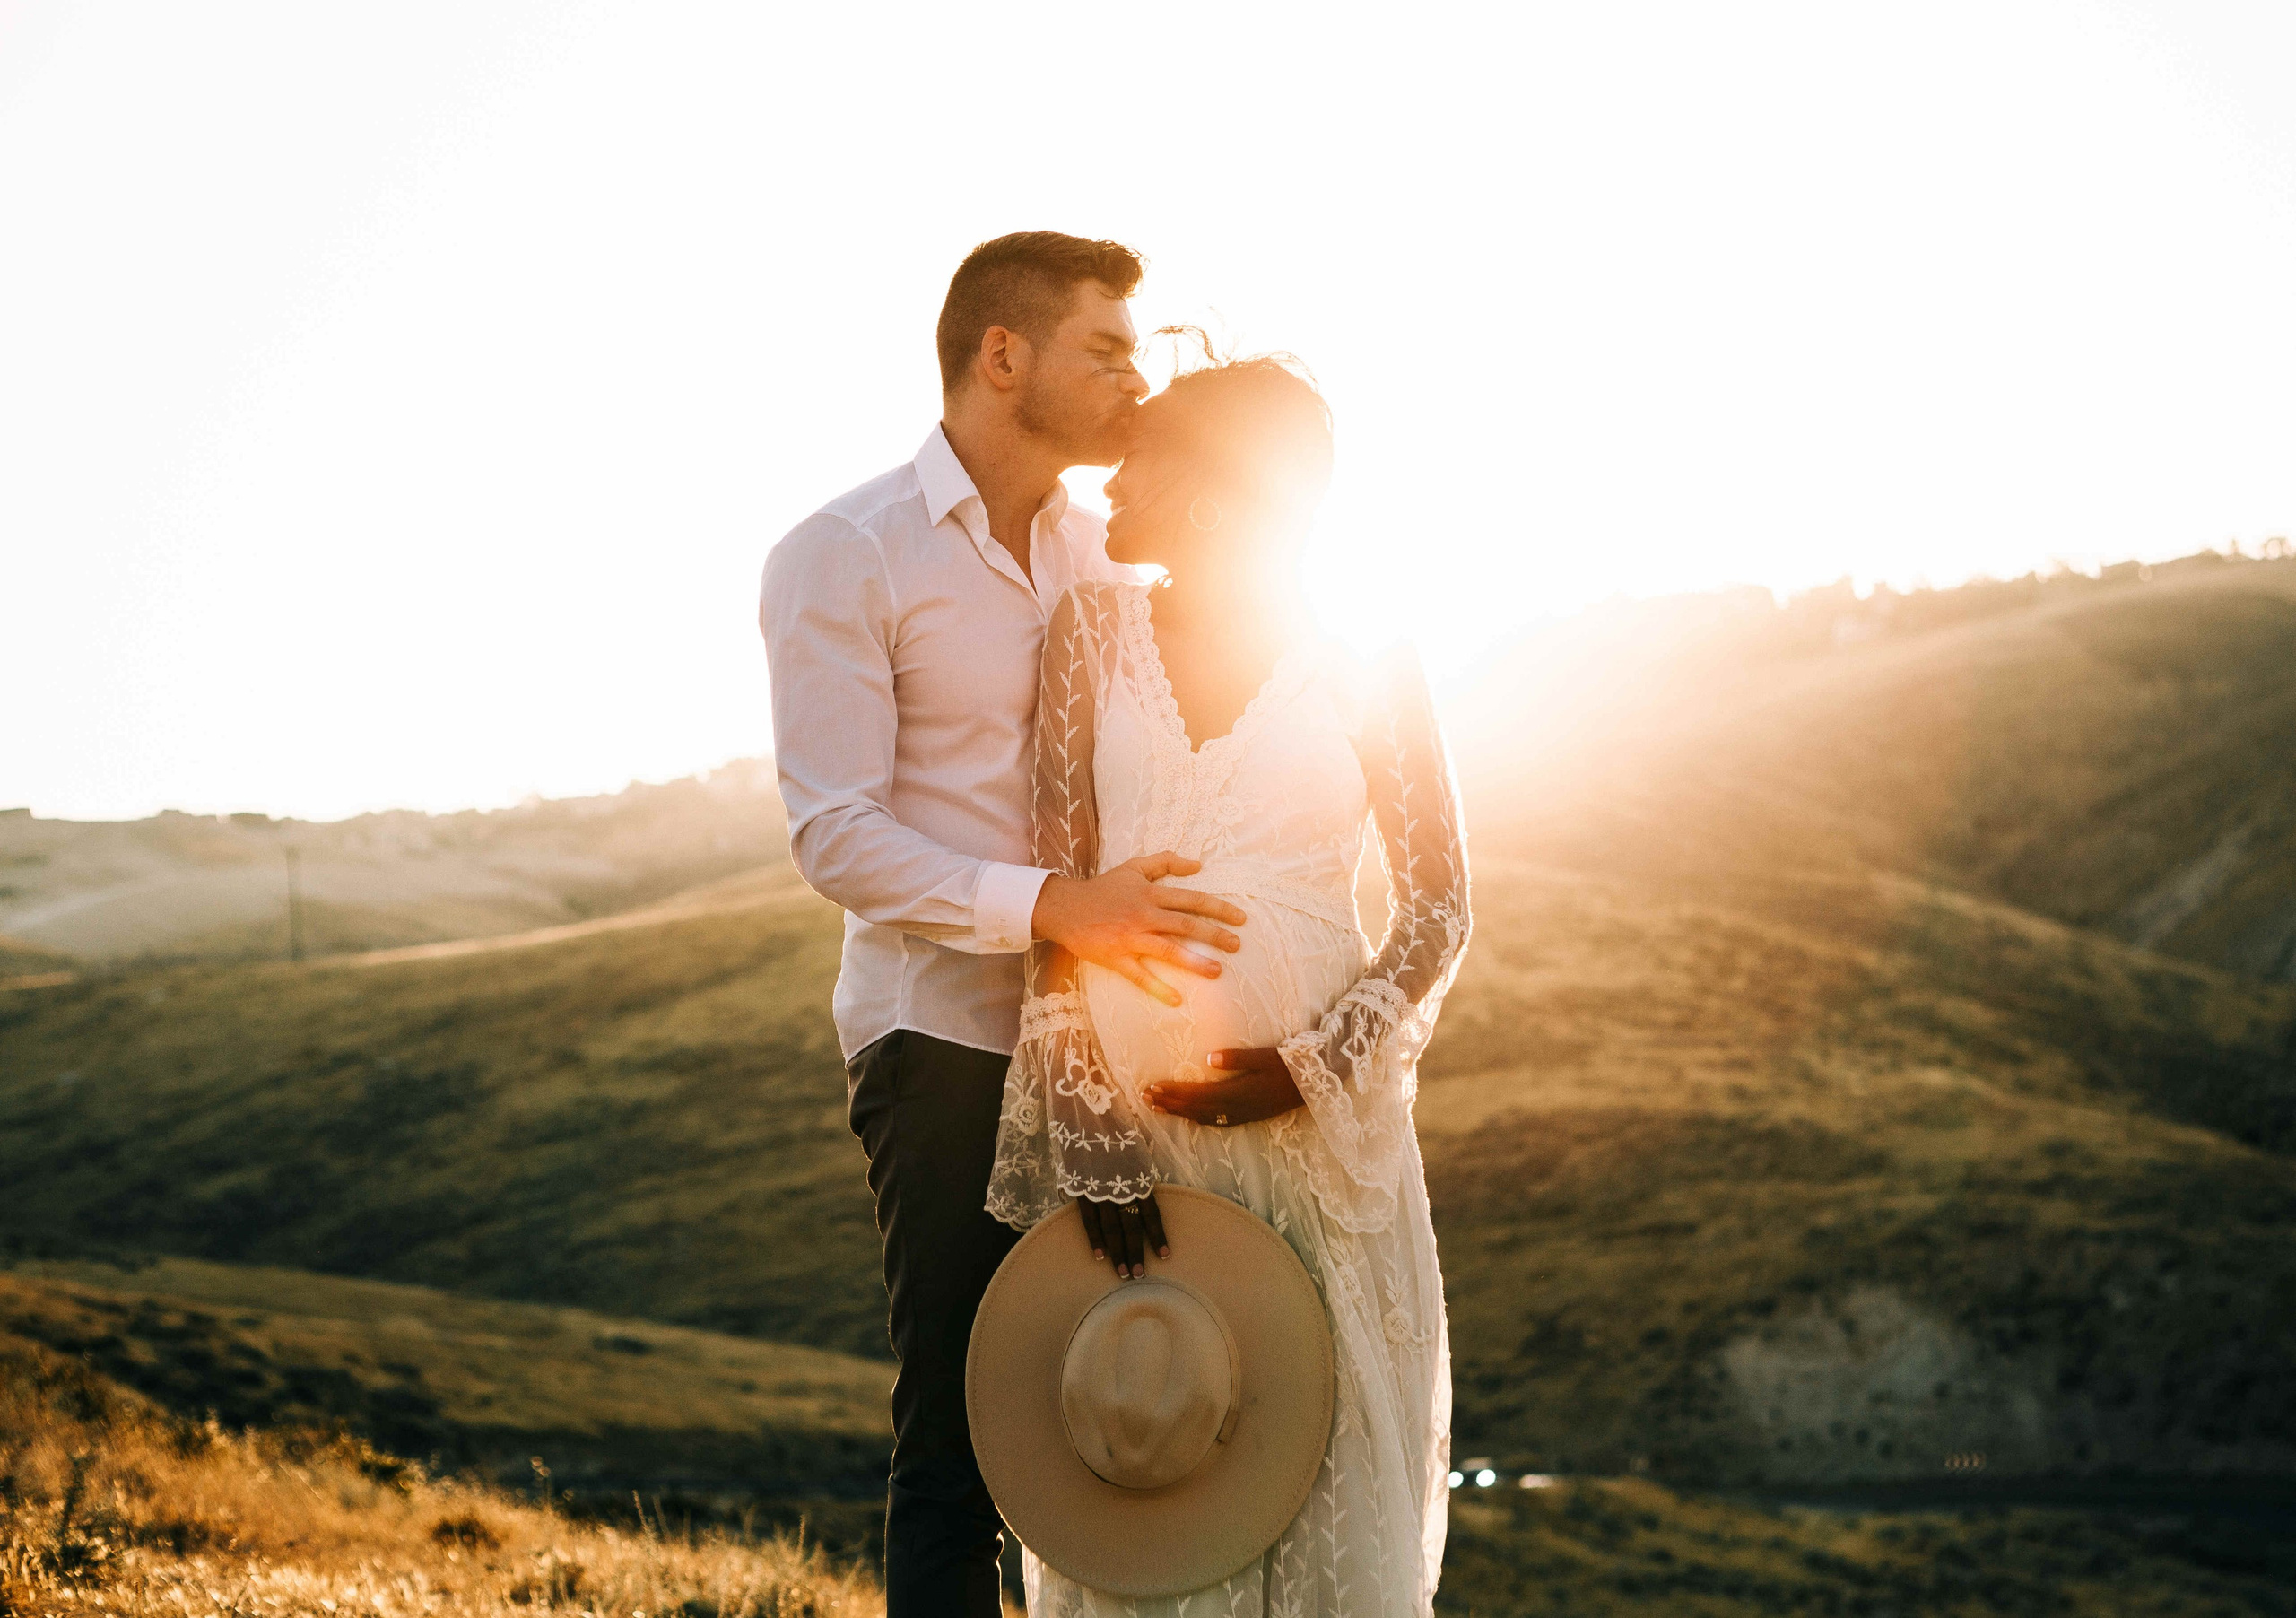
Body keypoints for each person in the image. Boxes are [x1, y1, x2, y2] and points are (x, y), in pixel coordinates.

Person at [758, 232, 1252, 1618]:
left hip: (1122, 1050)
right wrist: (1057, 910)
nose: (1135, 382)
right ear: (1002, 357)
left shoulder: (1113, 551)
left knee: (1129, 1409)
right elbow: (834, 833)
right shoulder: (844, 554)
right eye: (1108, 351)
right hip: (945, 1041)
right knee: (963, 1432)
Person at [987, 352, 1473, 1614]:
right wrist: (1083, 1117)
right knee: (1155, 1436)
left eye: (1141, 461)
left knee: (1320, 1453)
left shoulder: (1368, 659)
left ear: (1213, 491)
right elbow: (1055, 888)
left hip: (1318, 1142)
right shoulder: (1091, 635)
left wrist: (1317, 1066)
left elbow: (1437, 908)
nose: (1111, 485)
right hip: (1134, 1138)